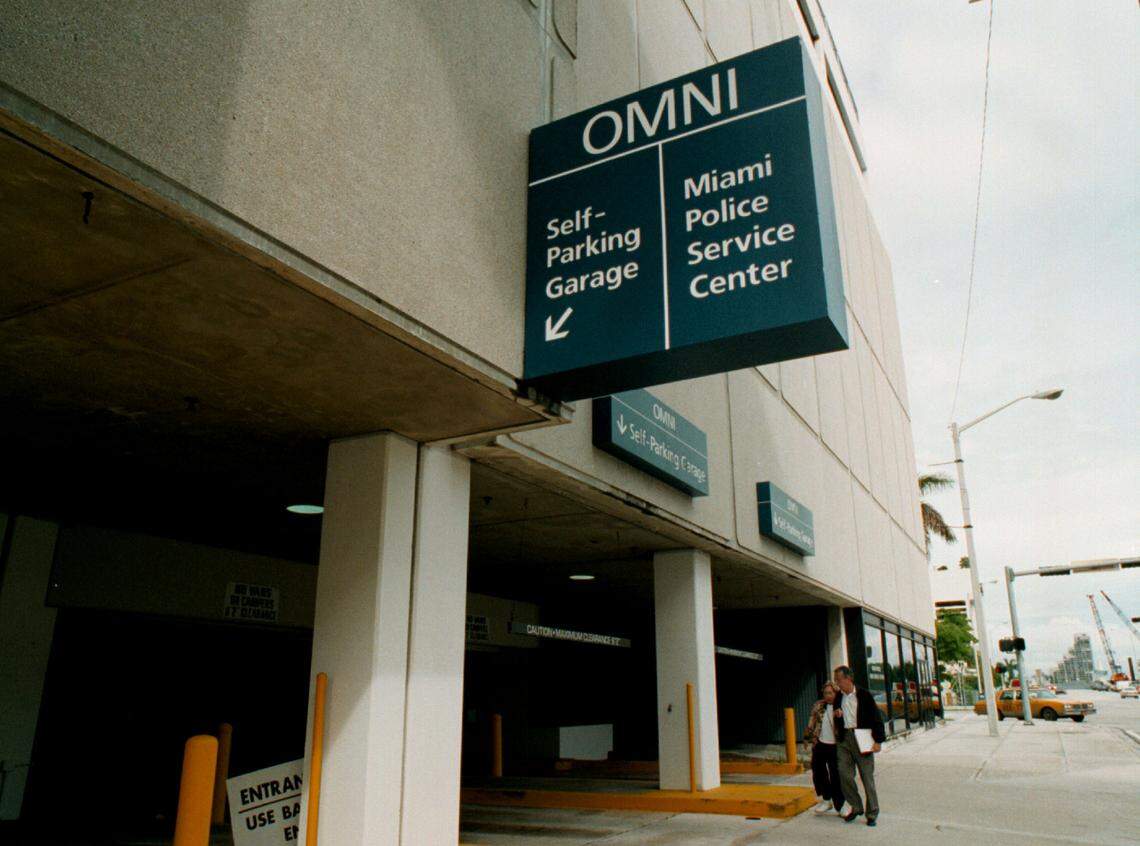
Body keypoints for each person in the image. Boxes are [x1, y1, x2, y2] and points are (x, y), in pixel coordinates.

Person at [833, 664, 886, 827]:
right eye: (836, 680)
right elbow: (837, 717)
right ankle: (856, 807)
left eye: (839, 680)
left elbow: (876, 718)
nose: (837, 683)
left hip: (862, 737)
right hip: (844, 739)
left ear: (848, 679)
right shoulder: (838, 697)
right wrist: (838, 715)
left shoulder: (864, 695)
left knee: (866, 776)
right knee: (844, 774)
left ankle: (872, 813)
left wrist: (878, 740)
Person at [803, 681, 844, 815]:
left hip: (835, 745)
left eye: (830, 693)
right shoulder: (819, 706)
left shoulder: (841, 706)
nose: (828, 696)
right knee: (819, 772)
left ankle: (840, 805)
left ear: (836, 693)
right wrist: (807, 738)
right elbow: (812, 721)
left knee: (836, 775)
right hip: (820, 743)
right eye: (825, 693)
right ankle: (826, 800)